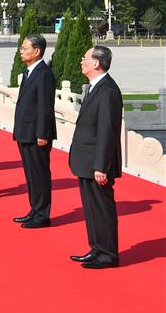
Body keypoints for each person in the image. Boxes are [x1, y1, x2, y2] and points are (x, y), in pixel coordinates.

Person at [68, 46, 122, 269]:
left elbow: (107, 131)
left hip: (97, 163)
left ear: (96, 63)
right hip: (86, 160)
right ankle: (96, 248)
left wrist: (101, 166)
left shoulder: (108, 90)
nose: (82, 61)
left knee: (101, 207)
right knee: (91, 209)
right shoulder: (94, 87)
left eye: (85, 58)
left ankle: (108, 254)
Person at [13, 34, 56, 228]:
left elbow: (45, 107)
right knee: (31, 174)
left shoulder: (44, 74)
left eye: (25, 48)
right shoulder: (30, 72)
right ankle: (35, 209)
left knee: (39, 174)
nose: (21, 51)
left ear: (37, 51)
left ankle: (42, 215)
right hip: (25, 131)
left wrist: (42, 133)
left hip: (37, 134)